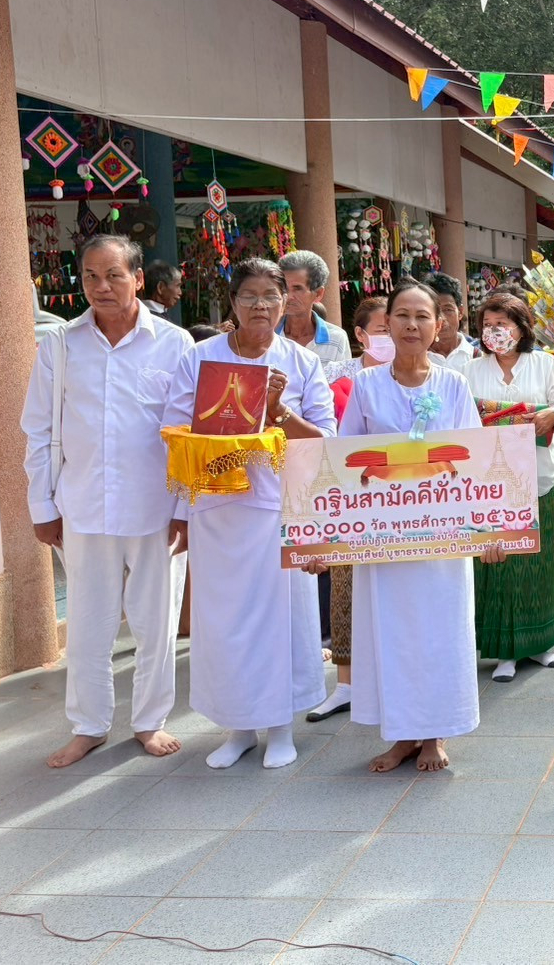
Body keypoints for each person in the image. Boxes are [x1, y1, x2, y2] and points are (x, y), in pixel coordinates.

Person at [21, 235, 194, 769]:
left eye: (114, 275)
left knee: (156, 622)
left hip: (156, 510)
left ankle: (150, 722)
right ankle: (89, 726)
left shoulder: (175, 343)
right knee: (90, 623)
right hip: (83, 508)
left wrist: (186, 510)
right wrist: (42, 506)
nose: (102, 286)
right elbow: (39, 430)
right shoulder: (60, 345)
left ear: (138, 279)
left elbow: (190, 436)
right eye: (91, 276)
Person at [163, 258, 334, 769]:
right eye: (249, 296)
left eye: (271, 296)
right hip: (217, 509)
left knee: (280, 618)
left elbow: (327, 439)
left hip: (279, 509)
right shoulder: (200, 357)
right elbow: (175, 427)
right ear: (232, 303)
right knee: (225, 621)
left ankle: (280, 727)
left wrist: (279, 412)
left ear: (287, 302)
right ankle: (237, 727)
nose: (260, 305)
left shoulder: (301, 363)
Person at [333, 280, 501, 771]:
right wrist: (329, 538)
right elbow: (346, 462)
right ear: (386, 324)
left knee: (440, 631)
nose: (411, 325)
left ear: (439, 325)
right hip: (385, 541)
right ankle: (403, 734)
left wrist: (488, 531)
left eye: (422, 317)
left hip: (442, 535)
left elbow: (474, 460)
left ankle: (436, 735)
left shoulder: (454, 385)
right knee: (393, 633)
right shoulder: (365, 385)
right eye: (401, 316)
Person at [465, 291, 554, 682]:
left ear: (520, 327)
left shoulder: (544, 365)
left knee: (540, 561)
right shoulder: (471, 369)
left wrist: (553, 416)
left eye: (502, 325)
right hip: (492, 484)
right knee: (498, 563)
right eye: (488, 326)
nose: (494, 332)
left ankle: (541, 643)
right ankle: (503, 652)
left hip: (540, 477)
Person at [307, 296, 392, 723]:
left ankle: (390, 681)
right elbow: (326, 437)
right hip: (352, 501)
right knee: (344, 591)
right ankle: (345, 684)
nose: (392, 337)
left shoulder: (422, 377)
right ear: (359, 336)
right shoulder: (334, 376)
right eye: (381, 330)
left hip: (404, 505)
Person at [277, 250, 350, 366]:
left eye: (297, 288)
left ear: (318, 294)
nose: (289, 296)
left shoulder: (336, 339)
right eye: (284, 288)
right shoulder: (266, 335)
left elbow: (343, 382)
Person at [422, 271, 475, 373]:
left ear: (460, 312)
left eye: (448, 310)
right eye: (435, 310)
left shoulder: (477, 355)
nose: (442, 318)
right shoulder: (415, 357)